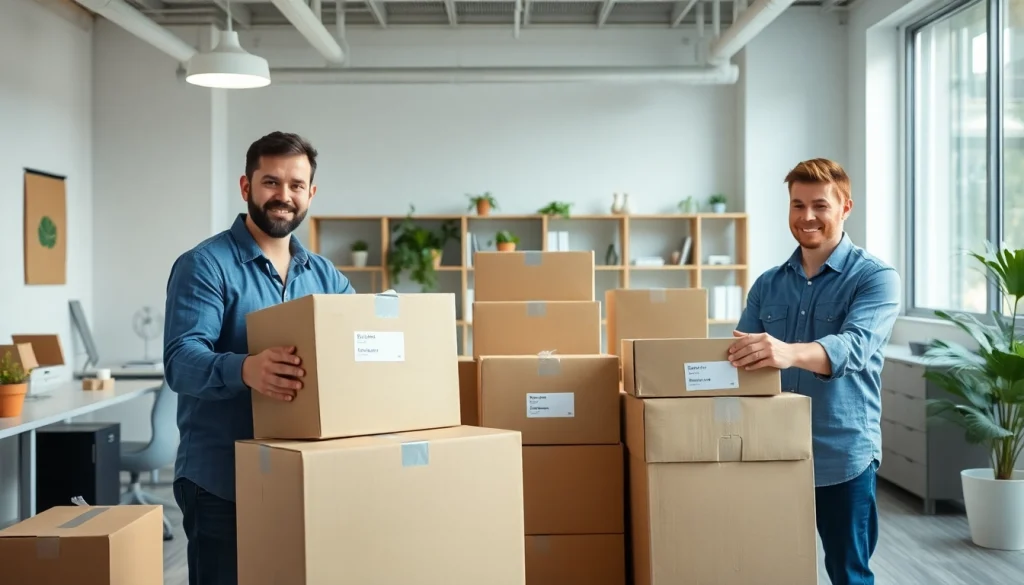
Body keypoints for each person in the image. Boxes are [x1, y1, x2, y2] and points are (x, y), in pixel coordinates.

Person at [163, 131, 354, 585]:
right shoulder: (205, 265)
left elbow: (354, 343)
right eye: (270, 182)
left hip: (303, 475)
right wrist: (246, 368)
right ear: (246, 187)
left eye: (294, 185)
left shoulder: (325, 276)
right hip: (221, 481)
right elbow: (181, 360)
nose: (283, 196)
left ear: (311, 193)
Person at [727, 158, 900, 585]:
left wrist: (788, 353)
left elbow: (854, 347)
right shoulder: (768, 283)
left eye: (820, 205)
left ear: (845, 208)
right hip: (772, 449)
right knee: (774, 564)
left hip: (842, 453)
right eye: (797, 205)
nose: (807, 217)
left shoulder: (876, 278)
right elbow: (743, 358)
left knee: (848, 573)